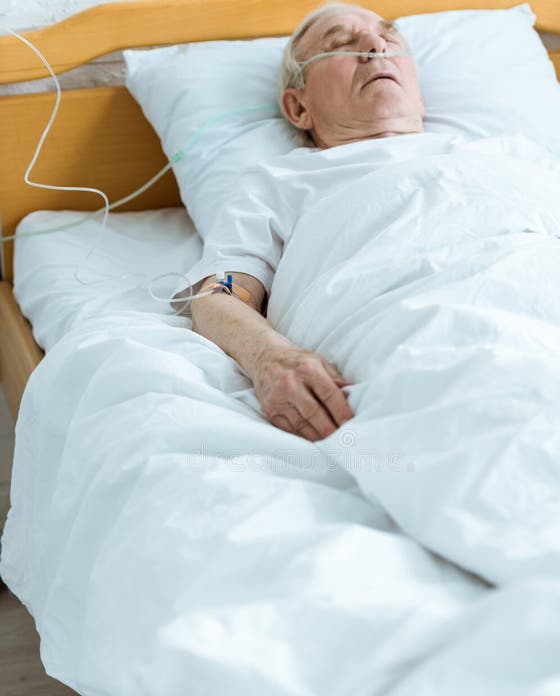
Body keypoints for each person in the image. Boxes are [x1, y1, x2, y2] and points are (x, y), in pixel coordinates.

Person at [175, 2, 427, 443]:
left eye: (390, 38)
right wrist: (271, 358)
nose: (375, 46)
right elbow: (218, 297)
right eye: (342, 43)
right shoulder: (280, 183)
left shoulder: (512, 154)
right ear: (298, 107)